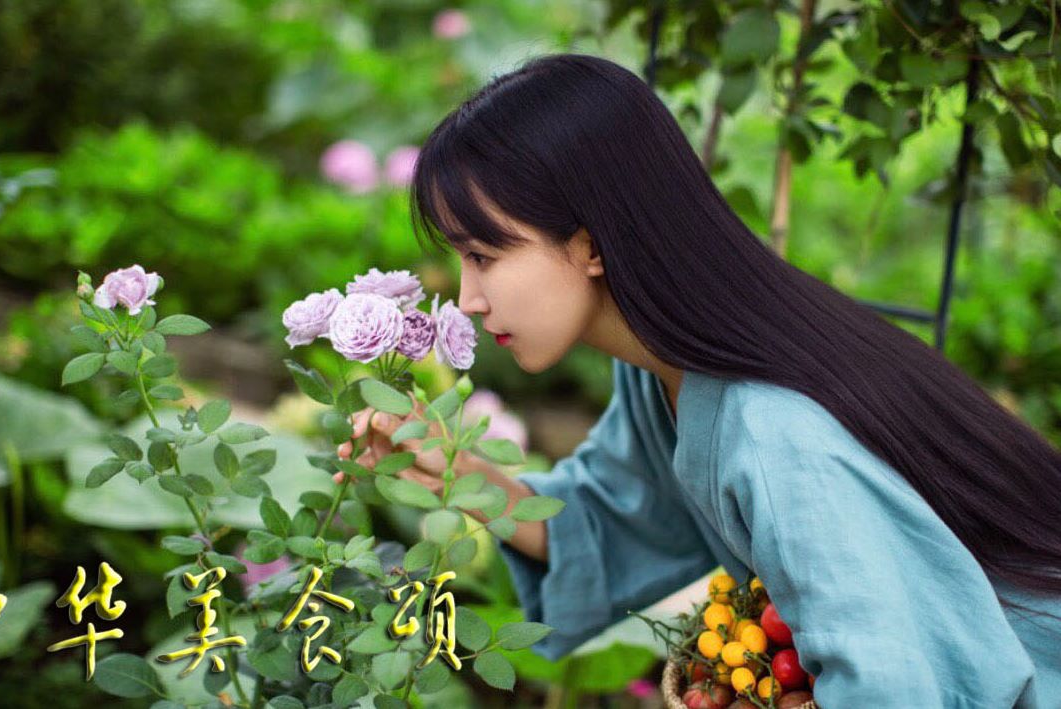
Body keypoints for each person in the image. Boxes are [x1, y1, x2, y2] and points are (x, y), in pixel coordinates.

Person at [336, 53, 1061, 707]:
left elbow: (895, 689)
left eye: (484, 254)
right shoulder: (671, 369)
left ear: (588, 242)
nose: (467, 297)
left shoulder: (778, 433)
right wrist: (456, 466)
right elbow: (616, 522)